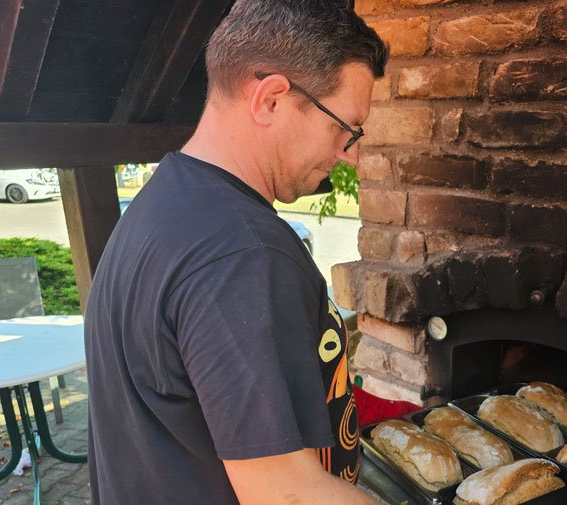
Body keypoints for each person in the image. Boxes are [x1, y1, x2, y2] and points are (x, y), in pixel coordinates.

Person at [85, 1, 413, 503]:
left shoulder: (167, 201)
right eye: (344, 128)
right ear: (271, 99)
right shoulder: (244, 254)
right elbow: (286, 495)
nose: (351, 155)